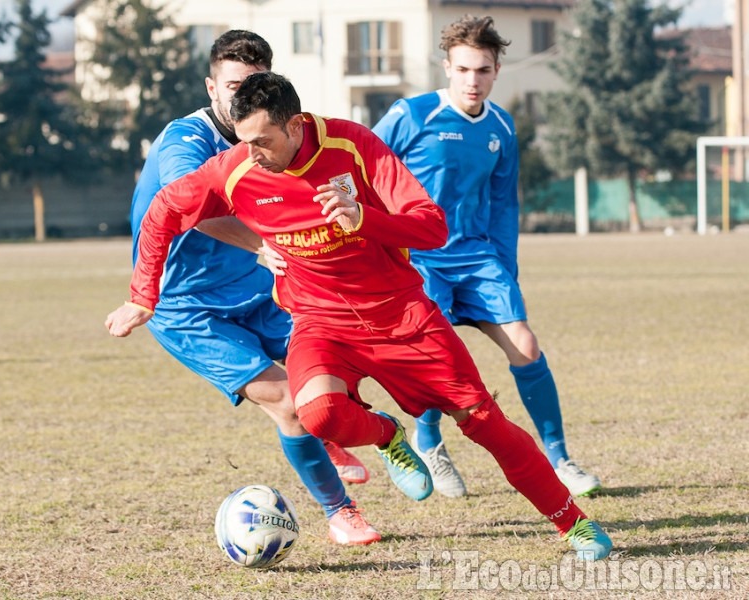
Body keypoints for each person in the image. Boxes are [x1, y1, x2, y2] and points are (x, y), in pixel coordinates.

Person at [106, 71, 613, 560]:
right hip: (320, 323)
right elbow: (163, 211)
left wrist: (363, 218)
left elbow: (431, 228)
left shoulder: (354, 145)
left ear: (296, 124)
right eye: (243, 142)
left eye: (262, 141)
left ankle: (573, 521)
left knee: (483, 423)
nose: (251, 154)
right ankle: (387, 435)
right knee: (316, 412)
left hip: (403, 316)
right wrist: (143, 296)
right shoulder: (237, 167)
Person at [110, 30, 379, 546]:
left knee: (340, 368)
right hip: (186, 306)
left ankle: (331, 435)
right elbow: (190, 211)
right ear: (212, 87)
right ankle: (340, 513)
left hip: (258, 290)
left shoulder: (270, 138)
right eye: (232, 86)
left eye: (252, 86)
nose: (241, 100)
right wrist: (260, 244)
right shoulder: (183, 142)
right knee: (288, 400)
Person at [372, 15, 602, 499]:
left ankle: (559, 458)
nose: (472, 80)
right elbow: (363, 169)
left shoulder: (502, 125)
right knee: (436, 361)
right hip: (421, 258)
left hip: (478, 258)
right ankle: (430, 441)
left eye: (482, 70)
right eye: (463, 70)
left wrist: (506, 268)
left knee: (526, 345)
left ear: (498, 70)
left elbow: (504, 202)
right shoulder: (411, 115)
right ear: (446, 68)